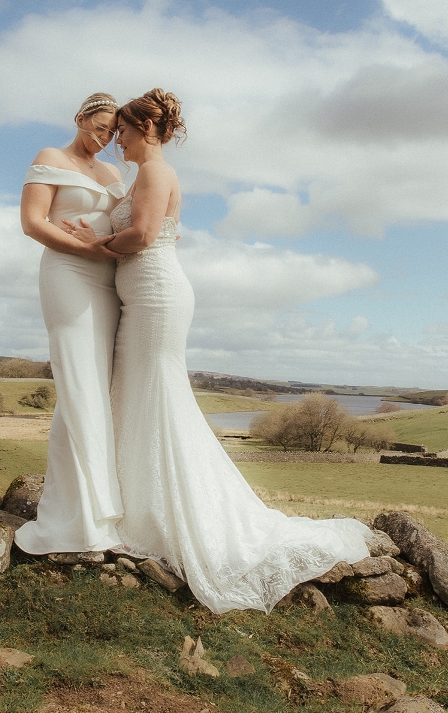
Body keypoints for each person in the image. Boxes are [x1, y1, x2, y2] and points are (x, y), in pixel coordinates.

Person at [71, 88, 373, 613]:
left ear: (144, 130)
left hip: (156, 294)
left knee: (155, 395)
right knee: (138, 395)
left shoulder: (154, 173)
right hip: (143, 293)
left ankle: (170, 515)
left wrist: (93, 247)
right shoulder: (146, 177)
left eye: (121, 131)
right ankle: (139, 505)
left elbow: (141, 235)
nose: (116, 140)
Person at [13, 93, 126, 556]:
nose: (103, 140)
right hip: (68, 273)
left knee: (97, 387)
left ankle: (86, 505)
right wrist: (88, 251)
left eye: (112, 134)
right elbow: (32, 223)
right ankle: (79, 519)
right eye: (98, 128)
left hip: (109, 280)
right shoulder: (51, 157)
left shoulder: (115, 173)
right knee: (79, 382)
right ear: (80, 118)